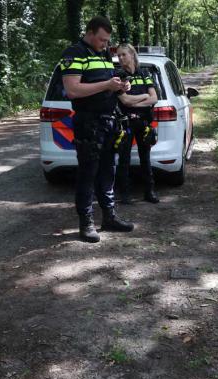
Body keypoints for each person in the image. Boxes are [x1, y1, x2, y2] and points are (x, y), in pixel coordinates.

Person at [59, 16, 134, 243]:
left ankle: (109, 217)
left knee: (107, 171)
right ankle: (86, 223)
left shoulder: (103, 55)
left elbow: (109, 82)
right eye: (102, 39)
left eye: (107, 40)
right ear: (90, 33)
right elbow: (73, 90)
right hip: (88, 123)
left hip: (109, 121)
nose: (105, 44)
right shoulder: (74, 53)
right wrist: (107, 85)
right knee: (87, 173)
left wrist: (121, 86)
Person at [115, 44, 160, 204]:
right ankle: (125, 195)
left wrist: (135, 102)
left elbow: (154, 98)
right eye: (118, 55)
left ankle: (149, 192)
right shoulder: (118, 76)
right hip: (125, 123)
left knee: (145, 159)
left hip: (143, 122)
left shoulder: (145, 73)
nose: (120, 58)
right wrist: (143, 96)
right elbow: (125, 100)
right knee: (124, 160)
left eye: (123, 55)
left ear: (132, 55)